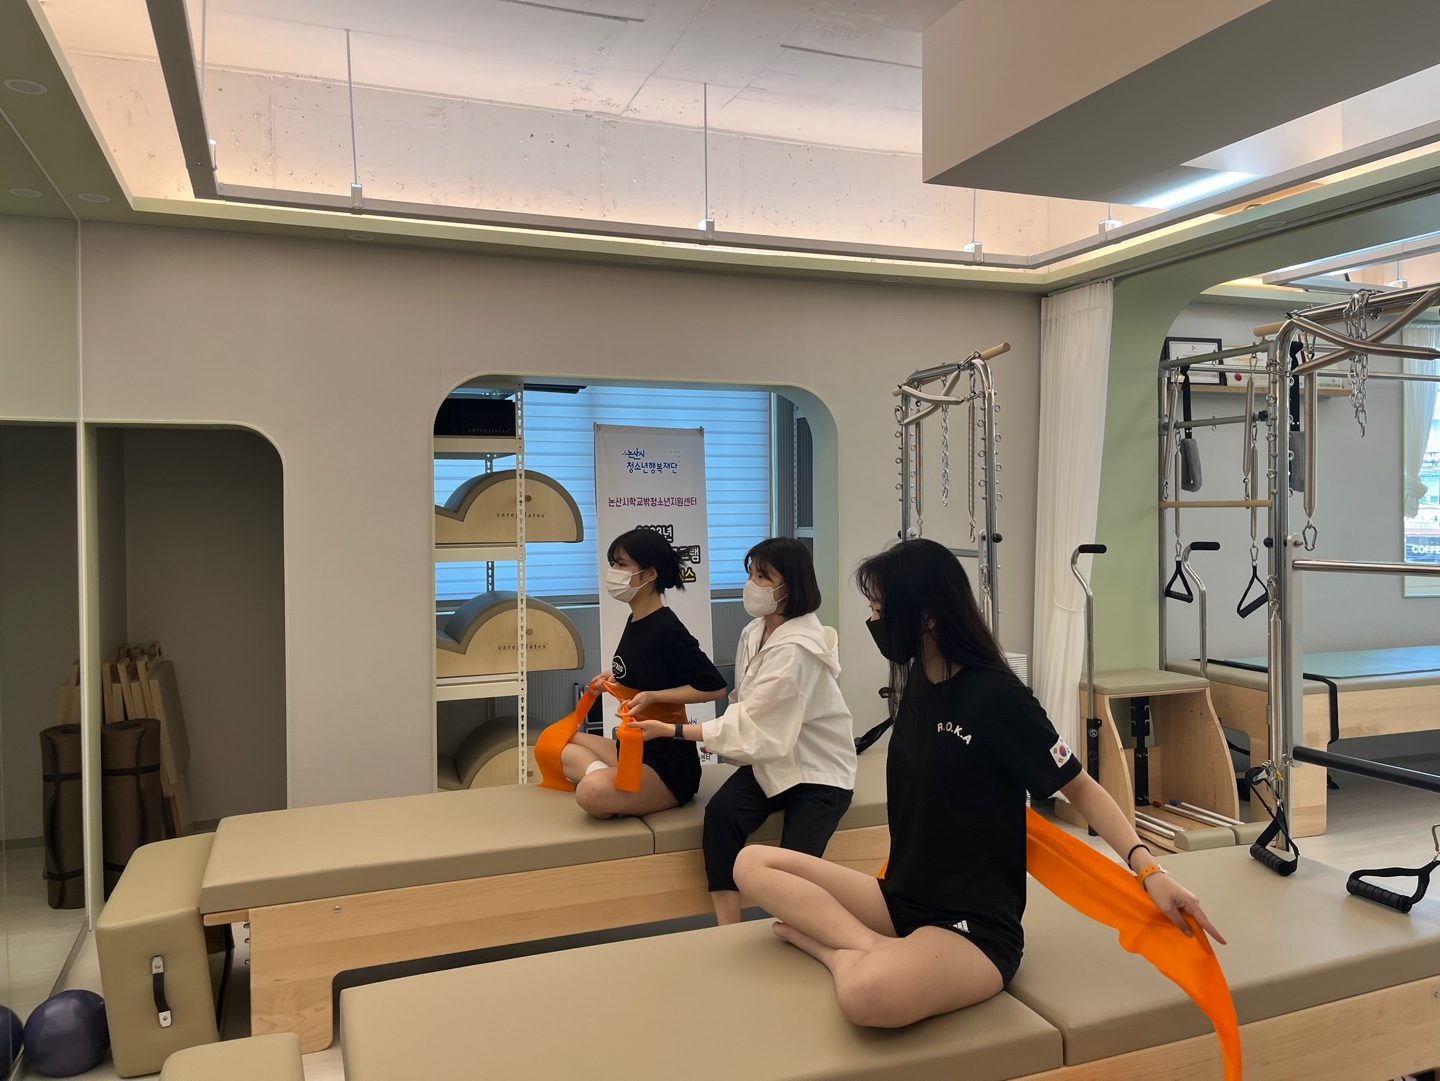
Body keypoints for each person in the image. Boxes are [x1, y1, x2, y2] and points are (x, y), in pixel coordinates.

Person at [731, 538, 1224, 1029]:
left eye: (880, 608)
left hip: (972, 929)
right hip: (899, 899)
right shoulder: (918, 680)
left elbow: (1080, 787)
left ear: (926, 616)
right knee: (752, 863)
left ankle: (837, 952)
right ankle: (867, 945)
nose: (874, 620)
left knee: (865, 994)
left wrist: (1149, 870)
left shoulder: (998, 696)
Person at [625, 537, 857, 925]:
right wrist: (704, 733)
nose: (752, 584)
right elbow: (744, 705)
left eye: (763, 576)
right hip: (771, 760)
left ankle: (797, 931)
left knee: (794, 866)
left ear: (791, 586)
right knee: (721, 816)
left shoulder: (797, 650)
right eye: (751, 573)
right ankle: (728, 926)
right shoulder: (754, 632)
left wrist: (675, 730)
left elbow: (756, 725)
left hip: (818, 771)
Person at [561, 528, 727, 818]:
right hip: (632, 748)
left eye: (622, 564)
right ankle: (610, 780)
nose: (613, 571)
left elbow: (714, 687)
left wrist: (652, 697)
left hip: (668, 763)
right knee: (560, 742)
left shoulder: (667, 628)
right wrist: (613, 678)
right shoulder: (636, 619)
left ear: (650, 574)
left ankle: (606, 785)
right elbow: (647, 671)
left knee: (590, 793)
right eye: (613, 563)